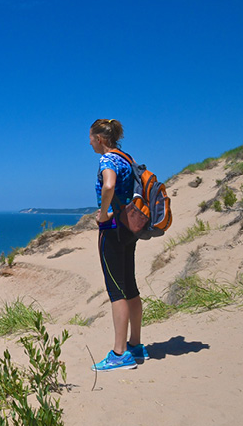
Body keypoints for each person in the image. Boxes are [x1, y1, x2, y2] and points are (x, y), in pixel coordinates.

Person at [89, 118, 149, 371]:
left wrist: (103, 214)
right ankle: (135, 344)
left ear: (99, 139)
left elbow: (109, 185)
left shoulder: (107, 160)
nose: (90, 143)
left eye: (90, 138)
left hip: (113, 229)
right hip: (130, 227)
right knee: (130, 286)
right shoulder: (126, 157)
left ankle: (119, 353)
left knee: (116, 291)